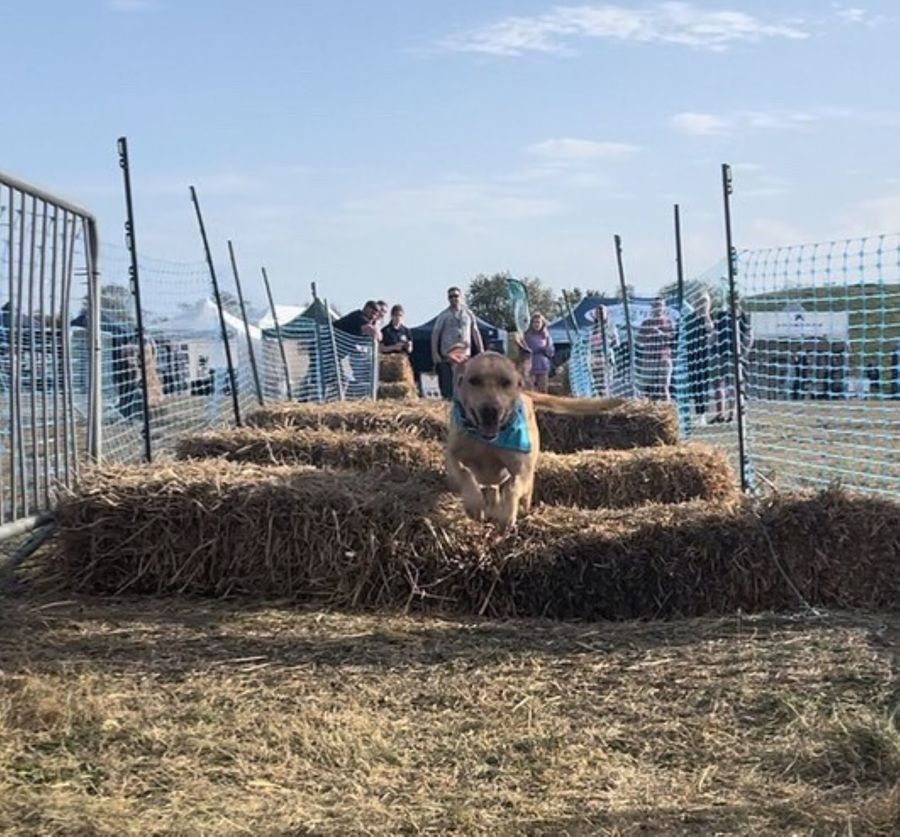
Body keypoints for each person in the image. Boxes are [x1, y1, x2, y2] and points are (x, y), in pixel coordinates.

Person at [431, 286, 484, 400]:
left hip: (465, 355)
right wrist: (435, 353)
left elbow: (475, 332)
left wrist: (481, 351)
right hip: (449, 355)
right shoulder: (443, 315)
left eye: (456, 296)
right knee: (449, 384)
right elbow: (435, 334)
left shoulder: (468, 314)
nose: (454, 298)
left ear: (461, 297)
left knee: (465, 382)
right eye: (451, 297)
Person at [682, 291, 716, 423]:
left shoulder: (710, 318)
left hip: (704, 357)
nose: (701, 304)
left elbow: (711, 331)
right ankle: (691, 413)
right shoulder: (689, 318)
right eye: (699, 301)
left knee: (702, 385)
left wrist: (706, 314)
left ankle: (702, 415)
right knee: (692, 385)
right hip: (690, 355)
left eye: (704, 302)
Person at [635, 297, 676, 401]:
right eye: (656, 306)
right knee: (647, 389)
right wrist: (648, 334)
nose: (658, 308)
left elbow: (673, 340)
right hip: (649, 359)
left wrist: (661, 333)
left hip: (664, 358)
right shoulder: (646, 323)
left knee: (663, 387)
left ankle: (667, 410)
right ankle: (649, 412)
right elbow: (639, 340)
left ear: (664, 307)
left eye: (660, 305)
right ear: (652, 308)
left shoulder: (668, 322)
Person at [589, 304, 619, 396]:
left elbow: (617, 342)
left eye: (602, 312)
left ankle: (607, 398)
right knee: (596, 382)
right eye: (598, 313)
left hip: (607, 358)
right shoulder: (593, 328)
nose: (600, 315)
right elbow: (589, 344)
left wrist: (608, 342)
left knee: (607, 382)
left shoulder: (611, 327)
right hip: (595, 359)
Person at [522, 312, 555, 392]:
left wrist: (545, 348)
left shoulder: (546, 336)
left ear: (542, 323)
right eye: (534, 322)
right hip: (531, 366)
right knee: (529, 390)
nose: (536, 324)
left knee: (543, 390)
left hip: (543, 366)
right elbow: (525, 349)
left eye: (538, 322)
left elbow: (551, 352)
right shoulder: (527, 336)